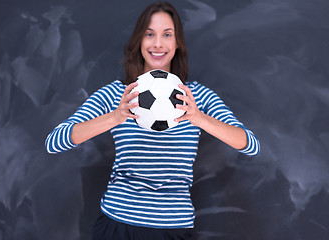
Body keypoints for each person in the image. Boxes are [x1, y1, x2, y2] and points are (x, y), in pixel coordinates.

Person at [45, 2, 260, 239]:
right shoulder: (118, 94)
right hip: (117, 224)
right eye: (149, 35)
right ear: (139, 41)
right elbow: (54, 142)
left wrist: (200, 119)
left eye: (167, 35)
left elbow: (250, 145)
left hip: (173, 228)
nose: (158, 44)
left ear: (177, 43)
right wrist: (115, 117)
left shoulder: (197, 97)